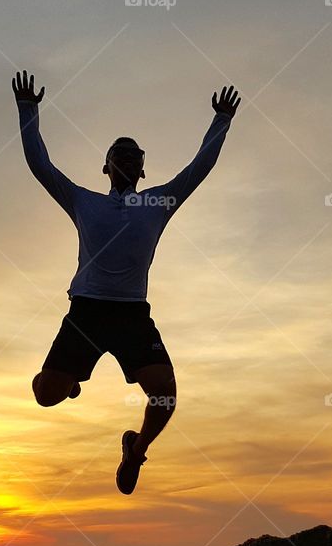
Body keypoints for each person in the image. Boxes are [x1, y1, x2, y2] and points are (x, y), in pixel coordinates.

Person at [13, 70, 240, 494]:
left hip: (132, 314)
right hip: (87, 311)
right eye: (120, 153)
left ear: (143, 166)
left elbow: (200, 166)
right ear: (106, 165)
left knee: (165, 394)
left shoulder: (159, 203)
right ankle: (71, 379)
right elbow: (40, 165)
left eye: (135, 154)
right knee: (47, 395)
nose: (128, 158)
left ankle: (135, 449)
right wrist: (28, 110)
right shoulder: (83, 200)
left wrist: (221, 119)